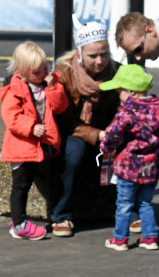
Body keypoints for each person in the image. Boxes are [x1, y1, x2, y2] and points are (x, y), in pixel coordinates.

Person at [50, 15, 120, 237]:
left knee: (132, 152)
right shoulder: (64, 74)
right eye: (93, 56)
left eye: (104, 54)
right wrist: (97, 135)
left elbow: (125, 107)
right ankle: (62, 214)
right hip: (76, 130)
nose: (100, 61)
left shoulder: (118, 72)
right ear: (79, 53)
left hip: (109, 129)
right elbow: (65, 119)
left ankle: (130, 210)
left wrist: (115, 132)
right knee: (74, 154)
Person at [0, 42, 67, 240]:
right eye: (37, 72)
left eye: (45, 69)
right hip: (22, 146)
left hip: (43, 144)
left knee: (47, 178)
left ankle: (52, 214)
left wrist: (53, 87)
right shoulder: (15, 89)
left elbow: (60, 106)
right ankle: (19, 223)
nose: (43, 74)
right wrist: (30, 127)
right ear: (22, 72)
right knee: (21, 185)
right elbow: (11, 117)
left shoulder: (48, 84)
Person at [99, 64, 159, 251]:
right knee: (145, 203)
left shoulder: (127, 112)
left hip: (128, 167)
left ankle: (120, 239)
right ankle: (150, 238)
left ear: (131, 92)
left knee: (124, 204)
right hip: (151, 167)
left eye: (120, 92)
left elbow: (112, 135)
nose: (118, 96)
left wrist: (105, 147)